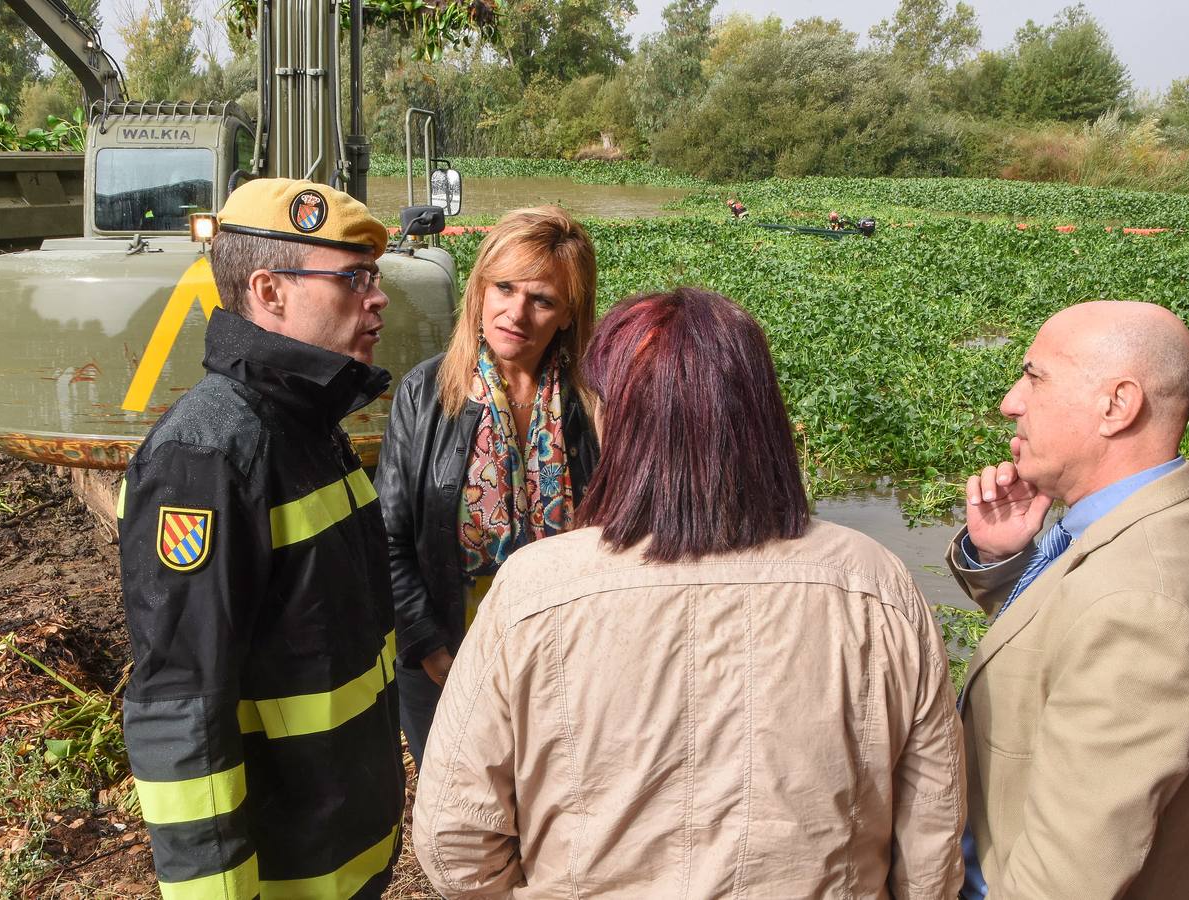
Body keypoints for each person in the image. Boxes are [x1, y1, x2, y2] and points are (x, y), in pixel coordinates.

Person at [413, 287, 966, 898]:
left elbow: (453, 840)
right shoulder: (876, 584)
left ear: (614, 418)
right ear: (763, 414)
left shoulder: (535, 589)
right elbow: (932, 842)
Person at [119, 178, 405, 898]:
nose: (378, 298)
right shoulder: (208, 457)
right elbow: (181, 708)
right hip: (288, 876)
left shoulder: (308, 423)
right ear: (269, 291)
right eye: (353, 278)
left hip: (343, 853)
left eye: (375, 276)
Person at [948, 301, 1189, 898]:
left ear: (1117, 406)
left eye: (1035, 377)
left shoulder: (1145, 606)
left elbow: (1069, 877)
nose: (1012, 401)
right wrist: (1005, 564)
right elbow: (1072, 646)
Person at [374, 205, 599, 768]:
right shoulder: (426, 393)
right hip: (447, 651)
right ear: (480, 289)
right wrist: (427, 645)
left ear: (568, 315)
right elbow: (389, 536)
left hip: (569, 655)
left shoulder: (595, 404)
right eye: (503, 288)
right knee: (462, 816)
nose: (515, 312)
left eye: (541, 299)